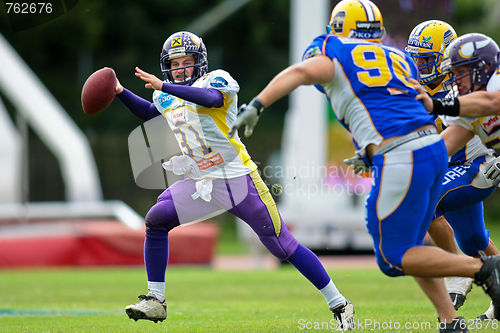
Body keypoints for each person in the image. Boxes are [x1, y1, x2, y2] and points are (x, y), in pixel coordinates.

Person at [229, 0, 500, 331]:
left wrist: (258, 103)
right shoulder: (399, 58)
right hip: (429, 149)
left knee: (393, 257)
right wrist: (374, 149)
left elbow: (302, 72)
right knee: (416, 242)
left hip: (407, 156)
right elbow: (408, 115)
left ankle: (480, 269)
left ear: (338, 28)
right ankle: (450, 318)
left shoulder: (333, 50)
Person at [113, 30, 354, 329]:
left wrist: (164, 85)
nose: (179, 69)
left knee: (281, 245)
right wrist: (121, 92)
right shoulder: (166, 93)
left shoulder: (217, 80)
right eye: (173, 64)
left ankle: (340, 304)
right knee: (156, 219)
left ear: (199, 62)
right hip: (201, 181)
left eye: (186, 62)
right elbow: (152, 113)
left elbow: (211, 99)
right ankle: (155, 300)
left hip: (237, 179)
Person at [406, 21, 499, 311]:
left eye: (461, 71)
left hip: (478, 164)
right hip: (460, 167)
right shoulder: (459, 100)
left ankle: (456, 273)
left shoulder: (491, 87)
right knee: (474, 241)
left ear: (483, 69)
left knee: (426, 201)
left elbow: (488, 100)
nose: (455, 78)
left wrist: (439, 107)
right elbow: (444, 144)